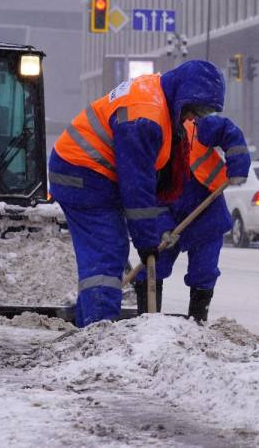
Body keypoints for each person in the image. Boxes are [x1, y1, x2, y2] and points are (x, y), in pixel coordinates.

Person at [47, 59, 228, 327]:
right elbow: (136, 184)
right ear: (183, 95)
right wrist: (146, 240)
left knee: (109, 251)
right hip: (82, 174)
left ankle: (90, 326)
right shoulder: (146, 118)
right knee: (106, 252)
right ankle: (100, 331)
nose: (193, 118)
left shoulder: (159, 96)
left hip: (89, 174)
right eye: (194, 110)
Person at [132, 112, 250, 321]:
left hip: (206, 210)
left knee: (204, 271)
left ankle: (197, 322)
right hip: (166, 212)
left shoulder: (195, 125)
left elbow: (227, 131)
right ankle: (147, 322)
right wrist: (163, 226)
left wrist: (238, 163)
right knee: (152, 265)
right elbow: (145, 193)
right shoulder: (146, 145)